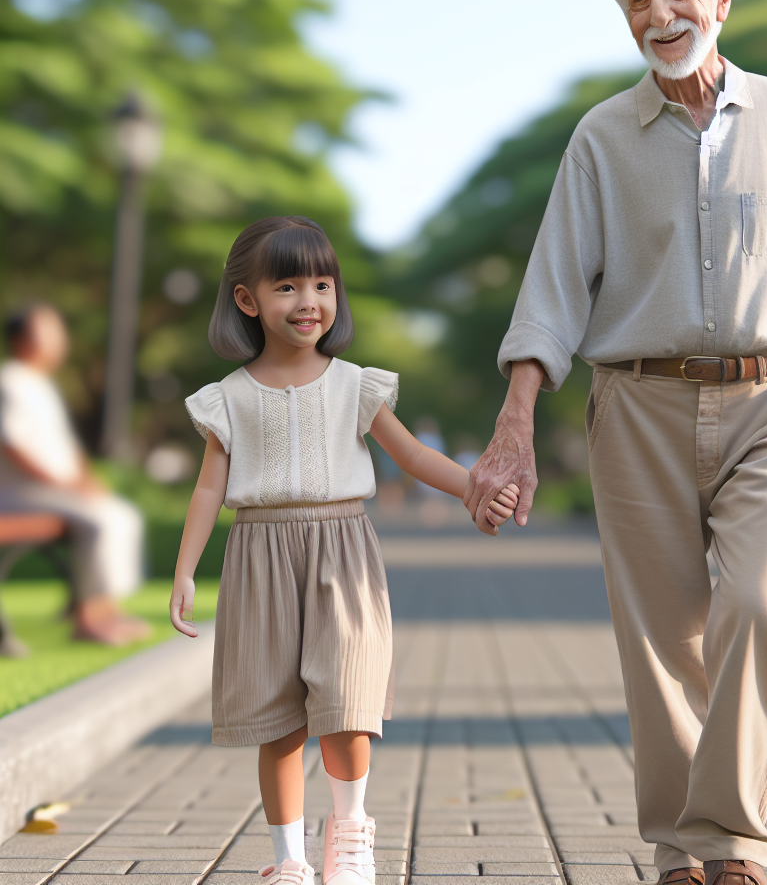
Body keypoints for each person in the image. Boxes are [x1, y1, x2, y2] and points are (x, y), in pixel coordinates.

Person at [464, 0, 767, 885]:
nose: (659, 11)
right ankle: (682, 850)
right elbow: (552, 293)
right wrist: (513, 427)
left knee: (764, 611)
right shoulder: (600, 140)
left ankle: (728, 837)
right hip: (637, 408)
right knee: (660, 640)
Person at [169, 216, 519, 885]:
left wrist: (474, 487)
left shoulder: (356, 384)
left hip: (343, 549)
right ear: (247, 301)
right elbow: (208, 489)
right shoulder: (227, 400)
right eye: (288, 286)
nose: (309, 302)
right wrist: (186, 570)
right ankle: (288, 861)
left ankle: (351, 833)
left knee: (348, 702)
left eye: (323, 284)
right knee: (276, 720)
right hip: (259, 555)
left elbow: (411, 454)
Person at [0, 304, 149, 645]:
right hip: (21, 492)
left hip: (51, 491)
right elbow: (12, 444)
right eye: (50, 331)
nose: (59, 340)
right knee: (104, 519)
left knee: (117, 513)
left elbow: (65, 447)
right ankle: (89, 619)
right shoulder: (10, 381)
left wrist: (85, 479)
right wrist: (64, 484)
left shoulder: (39, 384)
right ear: (22, 339)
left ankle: (107, 611)